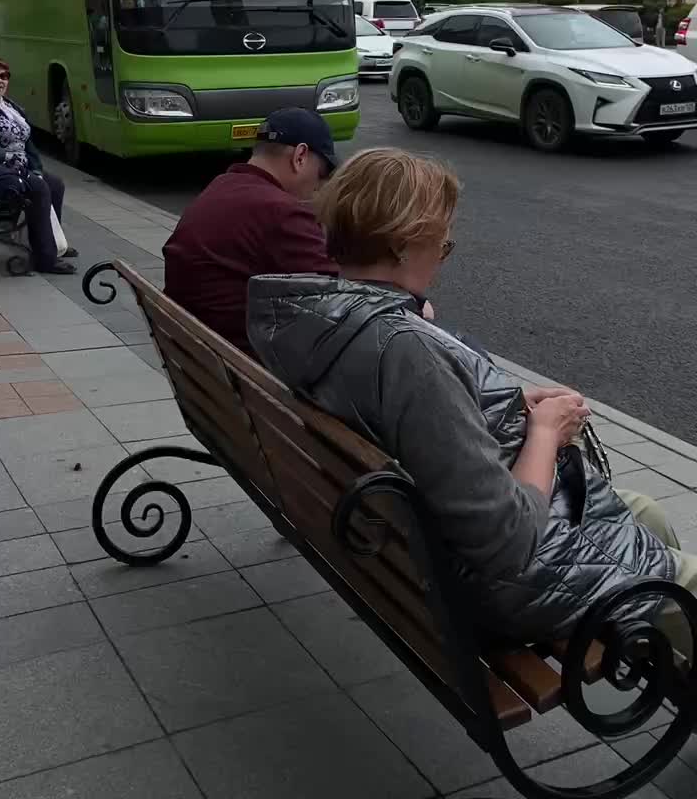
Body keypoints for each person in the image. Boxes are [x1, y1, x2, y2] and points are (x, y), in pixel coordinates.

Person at [247, 148, 696, 649]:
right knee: (681, 577)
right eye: (442, 244)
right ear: (402, 245)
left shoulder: (318, 322)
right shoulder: (403, 350)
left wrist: (505, 401)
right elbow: (507, 540)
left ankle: (672, 664)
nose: (442, 257)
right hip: (509, 583)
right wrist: (546, 431)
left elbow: (415, 415)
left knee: (646, 512)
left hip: (414, 549)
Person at [163, 108, 338, 355]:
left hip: (205, 357)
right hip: (248, 369)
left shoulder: (220, 187)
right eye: (323, 174)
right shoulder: (279, 211)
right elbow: (338, 297)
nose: (319, 187)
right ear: (300, 156)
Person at [0, 58, 76, 276]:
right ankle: (45, 259)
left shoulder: (10, 106)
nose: (0, 81)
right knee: (39, 190)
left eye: (4, 76)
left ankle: (52, 244)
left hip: (19, 167)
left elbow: (28, 144)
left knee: (55, 184)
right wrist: (5, 155)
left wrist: (38, 169)